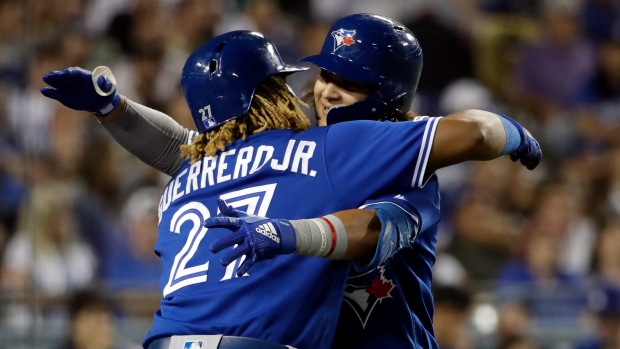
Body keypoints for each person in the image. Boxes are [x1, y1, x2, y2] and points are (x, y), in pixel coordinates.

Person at [41, 19, 540, 349]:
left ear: (386, 94)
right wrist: (115, 109)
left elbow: (372, 231)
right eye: (324, 75)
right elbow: (188, 149)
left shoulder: (391, 164)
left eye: (349, 83)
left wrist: (287, 232)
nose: (325, 89)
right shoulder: (311, 154)